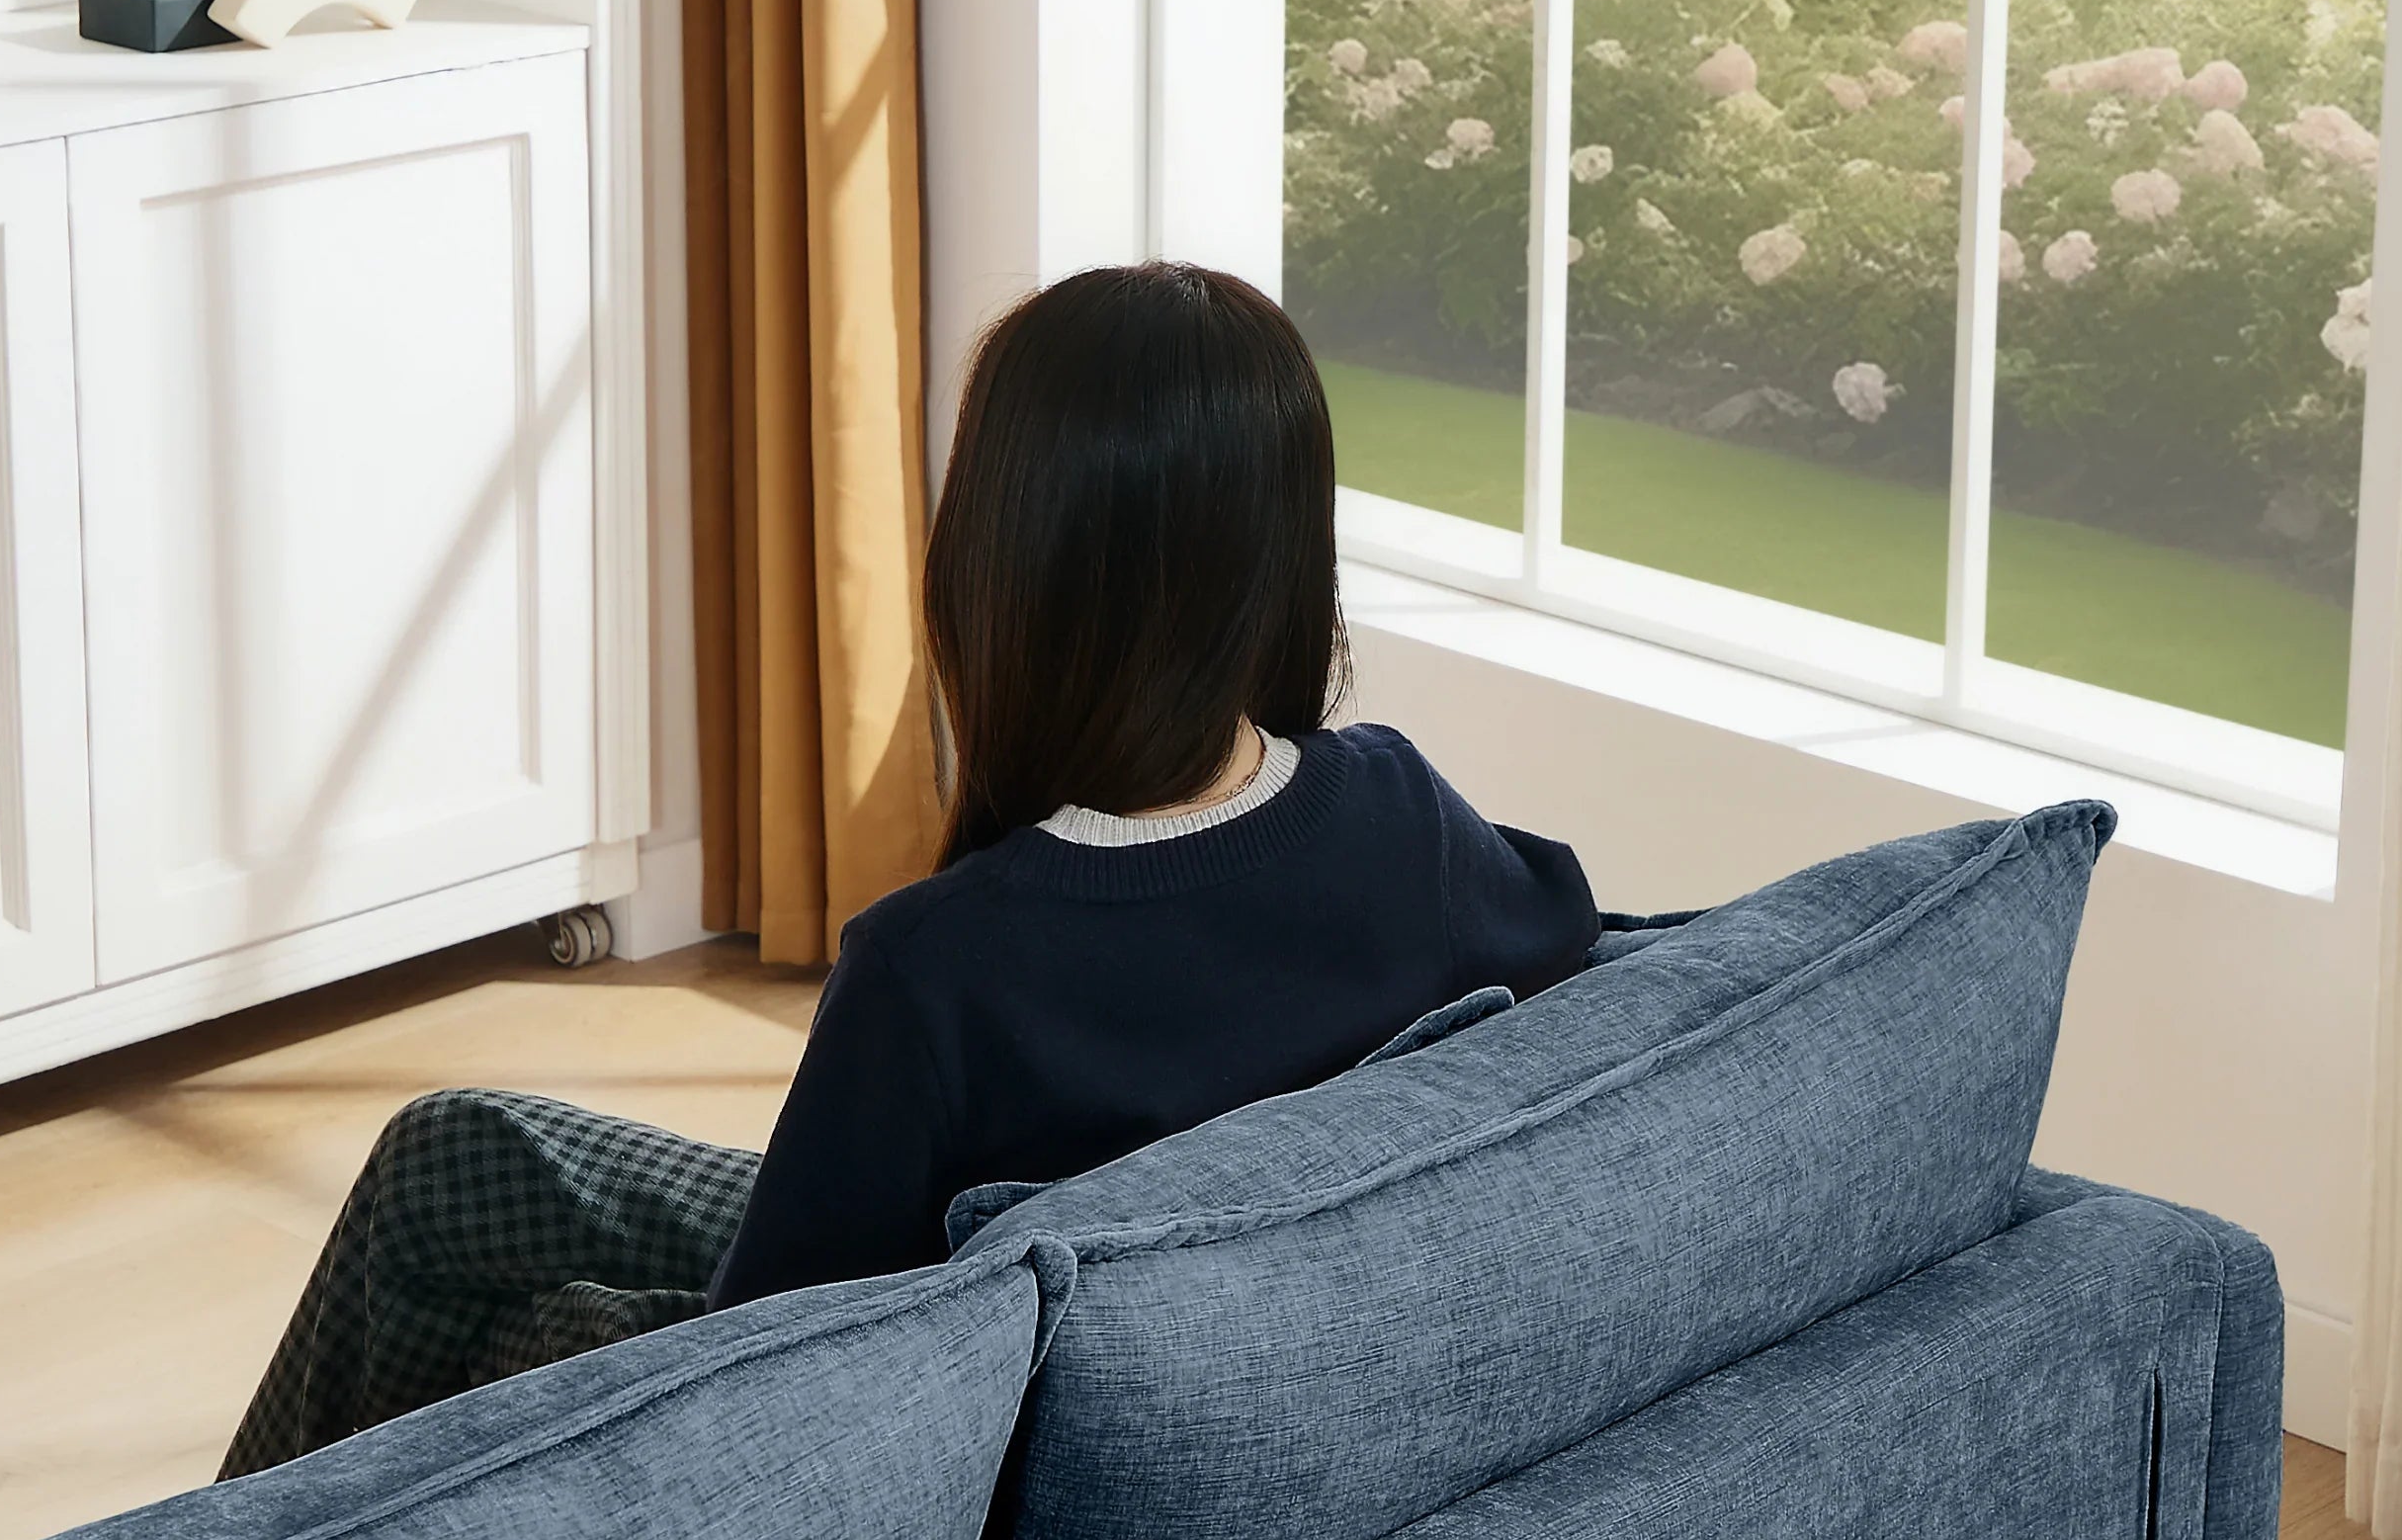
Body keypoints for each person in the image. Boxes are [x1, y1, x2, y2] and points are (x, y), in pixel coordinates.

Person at [218, 264, 1597, 1479]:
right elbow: (1597, 948)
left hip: (920, 1406)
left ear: (992, 568)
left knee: (521, 1316)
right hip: (1122, 1330)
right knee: (460, 1149)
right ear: (1285, 561)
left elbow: (774, 1365)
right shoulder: (1401, 817)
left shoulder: (936, 973)